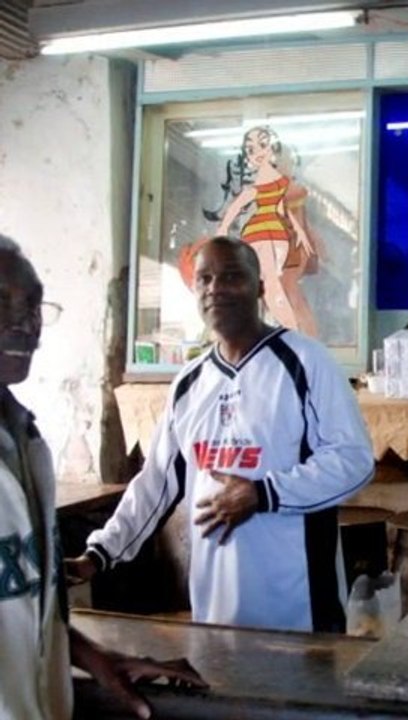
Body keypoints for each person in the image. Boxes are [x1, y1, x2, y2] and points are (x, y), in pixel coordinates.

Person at [69, 236, 374, 633]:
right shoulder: (189, 383)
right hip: (215, 607)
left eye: (232, 276)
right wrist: (98, 554)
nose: (216, 289)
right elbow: (155, 485)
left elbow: (353, 460)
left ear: (261, 287)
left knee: (301, 691)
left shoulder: (304, 361)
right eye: (205, 279)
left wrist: (261, 493)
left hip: (298, 607)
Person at [0, 234, 206, 720]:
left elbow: (23, 606)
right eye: (2, 302)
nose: (24, 322)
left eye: (32, 304)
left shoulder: (25, 440)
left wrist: (95, 657)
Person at [206, 125, 322, 337]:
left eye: (263, 148)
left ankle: (297, 337)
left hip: (276, 239)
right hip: (272, 238)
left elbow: (297, 217)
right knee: (279, 290)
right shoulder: (270, 187)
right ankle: (298, 337)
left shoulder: (282, 188)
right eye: (251, 150)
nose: (258, 154)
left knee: (277, 288)